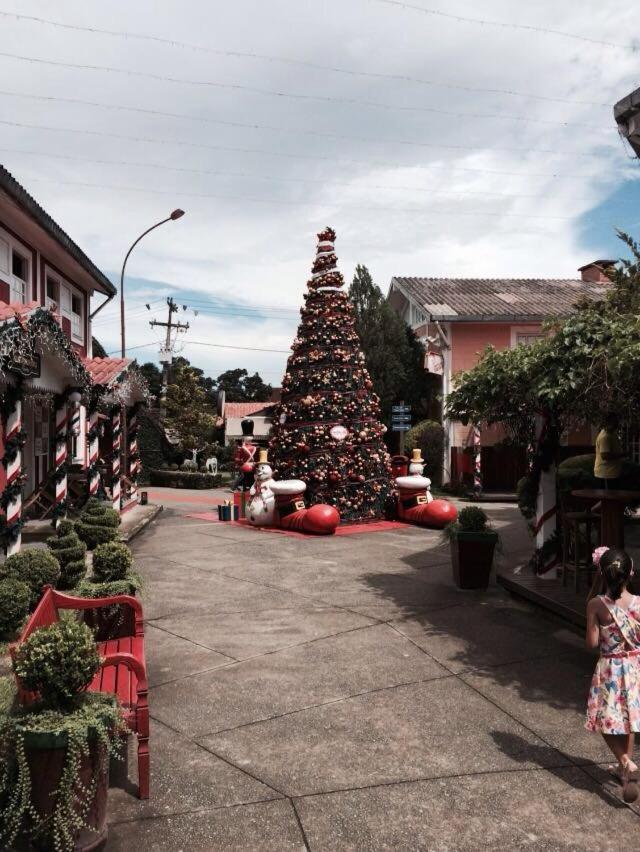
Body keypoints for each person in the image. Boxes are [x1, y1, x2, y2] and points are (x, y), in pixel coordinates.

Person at [585, 546, 640, 802]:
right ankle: (624, 771)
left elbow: (592, 643)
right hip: (635, 667)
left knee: (602, 721)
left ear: (602, 574)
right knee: (630, 720)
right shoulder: (639, 603)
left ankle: (625, 762)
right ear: (631, 572)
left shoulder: (596, 604)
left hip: (610, 669)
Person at [594, 413, 624, 489]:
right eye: (615, 421)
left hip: (612, 473)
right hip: (606, 474)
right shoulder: (605, 437)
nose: (617, 423)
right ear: (608, 422)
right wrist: (623, 454)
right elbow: (605, 455)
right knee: (607, 498)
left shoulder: (612, 434)